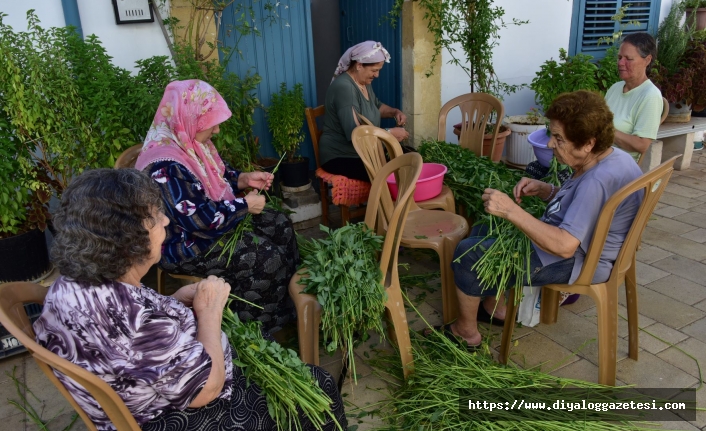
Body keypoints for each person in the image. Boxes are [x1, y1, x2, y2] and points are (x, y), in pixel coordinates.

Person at [33, 168, 346, 431]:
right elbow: (205, 390)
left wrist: (172, 300)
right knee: (321, 386)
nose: (166, 222)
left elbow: (131, 339)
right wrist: (209, 312)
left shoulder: (73, 282)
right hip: (168, 417)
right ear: (130, 239)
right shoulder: (134, 321)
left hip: (139, 394)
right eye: (157, 217)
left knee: (262, 339)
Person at [445, 91, 643, 348]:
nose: (551, 144)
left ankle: (466, 333)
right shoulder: (615, 157)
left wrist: (511, 211)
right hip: (587, 248)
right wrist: (547, 190)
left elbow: (564, 246)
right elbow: (585, 207)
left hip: (579, 261)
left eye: (559, 139)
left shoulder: (596, 181)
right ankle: (496, 307)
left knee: (468, 254)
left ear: (588, 143)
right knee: (483, 226)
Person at [135, 79, 297, 335]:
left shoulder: (191, 142)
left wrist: (243, 178)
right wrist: (244, 205)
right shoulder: (165, 166)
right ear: (188, 117)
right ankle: (257, 335)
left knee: (280, 224)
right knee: (266, 257)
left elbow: (217, 176)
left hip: (210, 227)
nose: (218, 130)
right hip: (184, 244)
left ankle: (285, 310)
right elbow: (200, 221)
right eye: (211, 122)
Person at [525, 32, 663, 179]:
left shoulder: (650, 96)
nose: (621, 63)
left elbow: (641, 145)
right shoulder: (616, 88)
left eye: (628, 59)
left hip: (611, 167)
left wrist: (606, 131)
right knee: (535, 169)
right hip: (591, 155)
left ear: (647, 60)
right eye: (619, 57)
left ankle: (561, 199)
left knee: (555, 177)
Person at [319, 40, 410, 182]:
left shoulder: (362, 82)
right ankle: (387, 204)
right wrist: (390, 134)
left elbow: (376, 106)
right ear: (359, 65)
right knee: (398, 170)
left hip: (364, 151)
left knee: (411, 157)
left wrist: (394, 112)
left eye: (378, 70)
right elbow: (356, 134)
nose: (377, 75)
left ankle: (396, 202)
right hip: (341, 156)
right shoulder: (345, 88)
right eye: (374, 70)